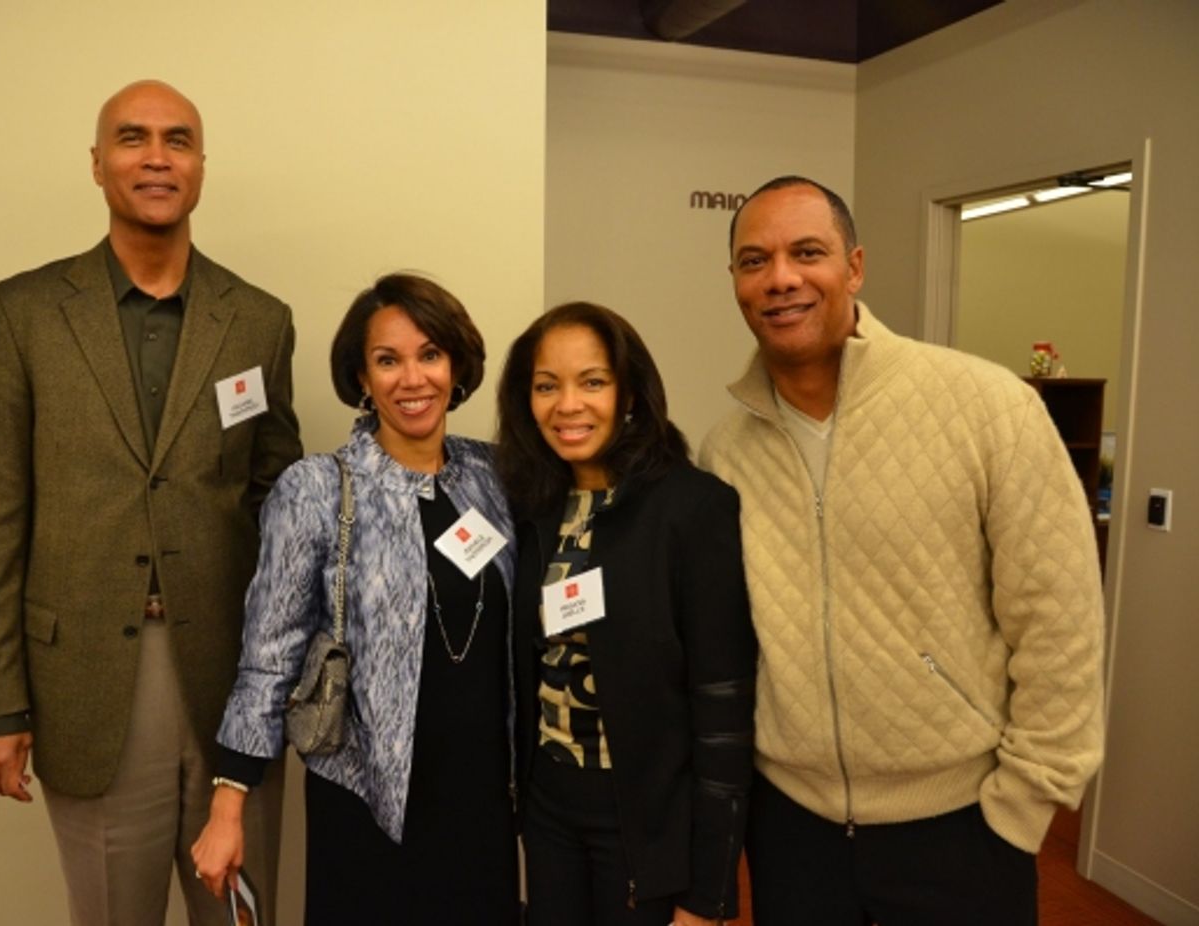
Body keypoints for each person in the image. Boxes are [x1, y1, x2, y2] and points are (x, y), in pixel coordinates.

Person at [698, 175, 1107, 925]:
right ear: (734, 282)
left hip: (961, 828)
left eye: (807, 253)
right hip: (792, 831)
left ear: (854, 268)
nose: (781, 278)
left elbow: (1061, 624)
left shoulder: (986, 407)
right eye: (754, 261)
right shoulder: (725, 452)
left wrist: (1024, 805)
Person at [0, 79, 301, 925]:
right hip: (86, 679)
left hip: (233, 682)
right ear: (99, 164)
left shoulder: (258, 320)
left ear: (201, 166)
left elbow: (277, 500)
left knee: (242, 916)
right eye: (133, 138)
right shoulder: (22, 313)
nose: (157, 157)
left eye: (178, 140)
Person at [192, 274, 521, 925]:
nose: (413, 379)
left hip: (484, 802)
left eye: (429, 354)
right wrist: (227, 806)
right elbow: (268, 658)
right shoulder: (316, 489)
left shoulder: (499, 477)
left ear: (456, 365)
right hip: (367, 802)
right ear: (362, 378)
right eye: (387, 360)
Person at [495, 302, 757, 926]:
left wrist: (708, 894)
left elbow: (724, 713)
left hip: (645, 816)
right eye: (546, 386)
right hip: (550, 807)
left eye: (593, 381)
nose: (568, 405)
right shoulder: (529, 504)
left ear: (631, 391)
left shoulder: (694, 509)